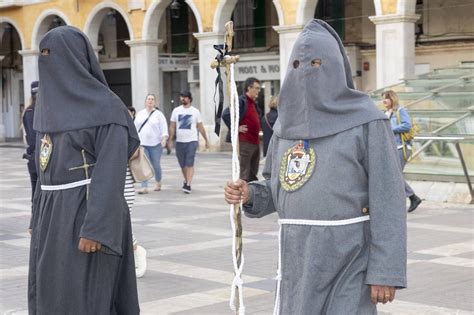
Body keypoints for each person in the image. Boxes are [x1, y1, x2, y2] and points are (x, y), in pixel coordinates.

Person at [224, 20, 407, 314]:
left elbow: (389, 198)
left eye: (317, 63)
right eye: (297, 63)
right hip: (297, 260)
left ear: (335, 67)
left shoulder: (368, 122)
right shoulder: (285, 128)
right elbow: (277, 187)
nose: (306, 70)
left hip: (349, 257)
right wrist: (249, 194)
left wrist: (386, 271)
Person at [29, 26, 140, 314]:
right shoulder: (45, 106)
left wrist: (97, 229)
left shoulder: (107, 108)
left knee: (87, 296)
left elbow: (111, 172)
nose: (46, 62)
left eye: (51, 56)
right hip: (51, 216)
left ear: (75, 59)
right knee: (52, 293)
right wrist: (36, 216)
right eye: (42, 55)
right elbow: (41, 168)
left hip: (86, 214)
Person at [382, 90, 422, 213]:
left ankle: (412, 197)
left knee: (395, 175)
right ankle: (411, 197)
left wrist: (390, 129)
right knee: (392, 175)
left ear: (392, 99)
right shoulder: (385, 113)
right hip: (392, 148)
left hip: (401, 147)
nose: (384, 101)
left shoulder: (400, 111)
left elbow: (407, 125)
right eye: (383, 99)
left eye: (386, 99)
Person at [222, 77, 263, 182]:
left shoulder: (253, 103)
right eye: (257, 88)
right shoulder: (241, 101)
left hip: (255, 142)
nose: (258, 90)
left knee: (253, 173)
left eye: (259, 88)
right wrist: (236, 128)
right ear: (249, 88)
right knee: (244, 173)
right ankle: (242, 197)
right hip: (245, 142)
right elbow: (226, 114)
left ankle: (251, 195)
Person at [168, 91, 209, 193]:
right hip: (180, 141)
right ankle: (186, 180)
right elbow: (172, 126)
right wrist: (170, 140)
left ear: (189, 99)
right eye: (182, 97)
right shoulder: (176, 111)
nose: (183, 99)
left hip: (191, 141)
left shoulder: (195, 111)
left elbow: (200, 127)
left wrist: (206, 139)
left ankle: (188, 184)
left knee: (189, 163)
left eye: (185, 97)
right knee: (182, 164)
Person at [126, 106, 147, 278]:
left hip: (124, 189)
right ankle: (133, 254)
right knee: (121, 223)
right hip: (118, 187)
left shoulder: (130, 133)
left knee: (123, 223)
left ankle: (137, 250)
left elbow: (134, 152)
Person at [134, 94, 169, 194]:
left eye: (152, 99)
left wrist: (164, 138)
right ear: (145, 102)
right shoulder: (140, 114)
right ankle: (144, 187)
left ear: (155, 102)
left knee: (156, 165)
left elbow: (164, 127)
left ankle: (158, 182)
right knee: (144, 165)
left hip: (156, 145)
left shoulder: (159, 114)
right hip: (143, 144)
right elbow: (135, 128)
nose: (150, 101)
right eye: (148, 99)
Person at [22, 81, 39, 202]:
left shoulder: (34, 111)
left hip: (38, 156)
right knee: (36, 195)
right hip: (36, 157)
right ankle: (35, 220)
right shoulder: (30, 112)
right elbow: (33, 140)